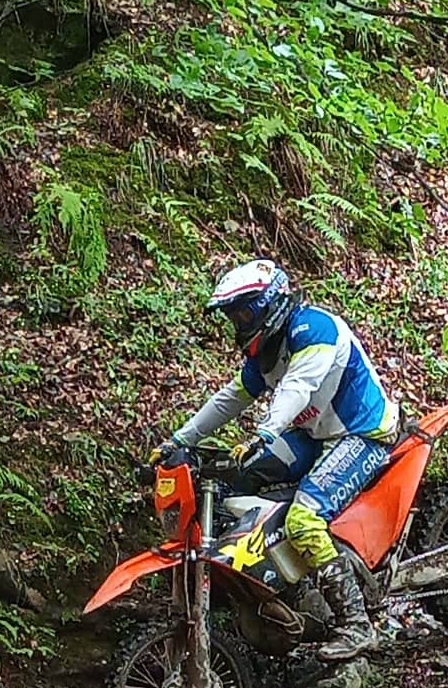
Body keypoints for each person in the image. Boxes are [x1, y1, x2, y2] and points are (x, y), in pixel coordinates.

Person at [164, 261, 397, 652]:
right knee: (240, 477)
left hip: (363, 433)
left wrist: (267, 431)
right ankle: (263, 581)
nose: (238, 322)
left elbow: (298, 388)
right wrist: (176, 441)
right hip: (314, 436)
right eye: (233, 316)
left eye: (243, 312)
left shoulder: (313, 330)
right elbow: (230, 398)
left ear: (268, 303)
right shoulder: (265, 356)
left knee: (303, 519)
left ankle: (356, 623)